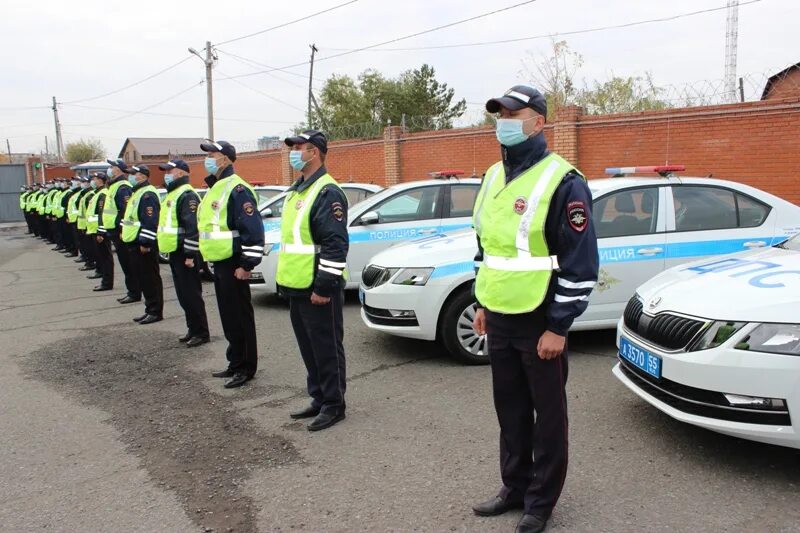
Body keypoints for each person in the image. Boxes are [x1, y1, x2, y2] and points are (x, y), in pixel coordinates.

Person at [470, 86, 599, 533]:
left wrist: (559, 327)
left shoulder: (563, 181)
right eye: (499, 114)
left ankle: (541, 502)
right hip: (500, 314)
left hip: (541, 318)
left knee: (548, 417)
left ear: (539, 122)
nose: (503, 121)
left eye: (513, 113)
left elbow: (580, 264)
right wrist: (483, 303)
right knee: (509, 409)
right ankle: (514, 488)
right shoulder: (492, 177)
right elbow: (488, 246)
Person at [278, 130, 349, 432]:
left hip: (318, 287)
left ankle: (334, 404)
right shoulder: (299, 190)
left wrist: (323, 286)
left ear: (315, 152)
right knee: (309, 347)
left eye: (300, 148)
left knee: (326, 347)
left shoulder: (326, 191)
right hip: (297, 284)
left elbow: (335, 244)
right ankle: (318, 397)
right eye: (292, 147)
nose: (294, 152)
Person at [198, 140, 264, 388]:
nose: (209, 159)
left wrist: (247, 265)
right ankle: (235, 361)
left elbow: (253, 231)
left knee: (239, 317)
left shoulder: (237, 189)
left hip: (235, 262)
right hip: (220, 262)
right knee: (228, 316)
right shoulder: (216, 187)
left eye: (212, 155)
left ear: (225, 159)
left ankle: (246, 367)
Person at [157, 159, 209, 347]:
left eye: (170, 170)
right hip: (175, 251)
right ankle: (192, 329)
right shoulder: (174, 193)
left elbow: (192, 227)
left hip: (185, 253)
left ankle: (201, 332)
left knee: (191, 294)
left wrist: (189, 254)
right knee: (183, 294)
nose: (167, 174)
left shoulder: (187, 195)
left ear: (181, 173)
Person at [121, 165, 163, 324]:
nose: (131, 176)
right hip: (134, 242)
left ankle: (155, 311)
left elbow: (150, 221)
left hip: (143, 245)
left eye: (134, 173)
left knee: (150, 278)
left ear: (143, 176)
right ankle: (149, 308)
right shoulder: (137, 193)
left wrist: (145, 243)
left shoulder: (147, 194)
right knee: (144, 279)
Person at [101, 159, 140, 304]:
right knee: (125, 264)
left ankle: (134, 292)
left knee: (128, 264)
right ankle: (132, 291)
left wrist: (122, 229)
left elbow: (125, 211)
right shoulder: (114, 185)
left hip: (120, 231)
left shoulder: (123, 187)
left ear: (119, 170)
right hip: (115, 231)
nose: (110, 169)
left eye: (112, 167)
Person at [87, 172, 114, 291]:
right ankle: (104, 279)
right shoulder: (97, 193)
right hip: (95, 230)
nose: (93, 180)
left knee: (105, 257)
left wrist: (100, 232)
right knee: (102, 257)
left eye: (95, 178)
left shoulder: (103, 194)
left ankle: (107, 282)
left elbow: (102, 214)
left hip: (100, 231)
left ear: (101, 180)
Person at [77, 176, 98, 272]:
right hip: (84, 224)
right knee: (86, 246)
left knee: (90, 247)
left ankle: (90, 262)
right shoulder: (85, 194)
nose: (82, 183)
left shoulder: (90, 194)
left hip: (89, 226)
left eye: (84, 182)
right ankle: (89, 261)